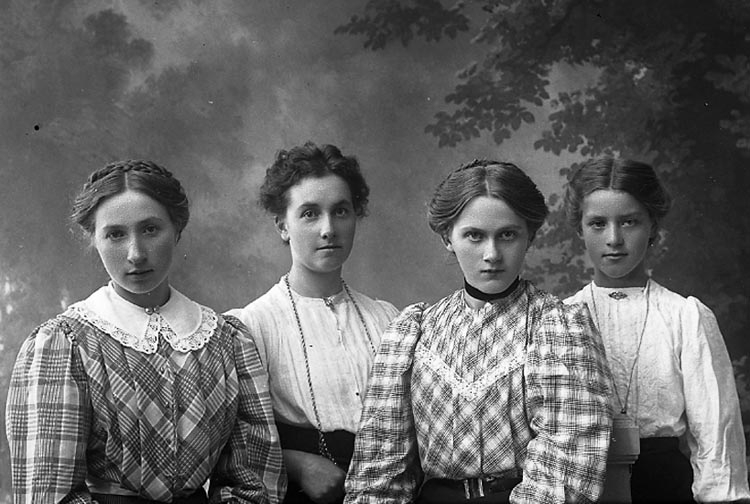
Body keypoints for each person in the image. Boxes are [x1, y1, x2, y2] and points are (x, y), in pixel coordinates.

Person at [5, 160, 286, 504]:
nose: (136, 254)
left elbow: (253, 481)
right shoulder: (65, 344)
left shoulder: (227, 340)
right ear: (93, 239)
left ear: (177, 230)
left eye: (151, 229)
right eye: (115, 234)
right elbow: (50, 494)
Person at [344, 159, 614, 504]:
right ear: (448, 237)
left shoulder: (557, 327)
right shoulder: (414, 332)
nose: (492, 254)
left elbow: (566, 468)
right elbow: (380, 470)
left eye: (507, 235)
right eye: (474, 236)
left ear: (529, 236)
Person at [563, 157, 750, 503]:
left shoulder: (684, 316)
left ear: (652, 226)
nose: (614, 239)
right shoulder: (560, 320)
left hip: (665, 487)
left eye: (629, 222)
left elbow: (715, 431)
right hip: (583, 485)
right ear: (580, 230)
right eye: (598, 224)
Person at [227, 142, 399, 504]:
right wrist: (298, 465)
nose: (328, 229)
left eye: (341, 211)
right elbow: (230, 442)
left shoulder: (387, 319)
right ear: (282, 226)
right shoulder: (252, 326)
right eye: (309, 214)